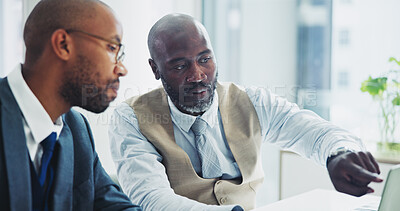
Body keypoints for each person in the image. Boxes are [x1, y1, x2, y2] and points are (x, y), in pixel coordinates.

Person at [109, 13, 382, 211]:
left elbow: (312, 131)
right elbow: (153, 200)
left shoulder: (250, 100)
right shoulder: (131, 118)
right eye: (180, 66)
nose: (198, 75)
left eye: (205, 59)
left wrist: (337, 154)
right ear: (155, 69)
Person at [0, 0, 142, 210]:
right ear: (63, 45)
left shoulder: (77, 129)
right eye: (112, 48)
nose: (122, 69)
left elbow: (111, 204)